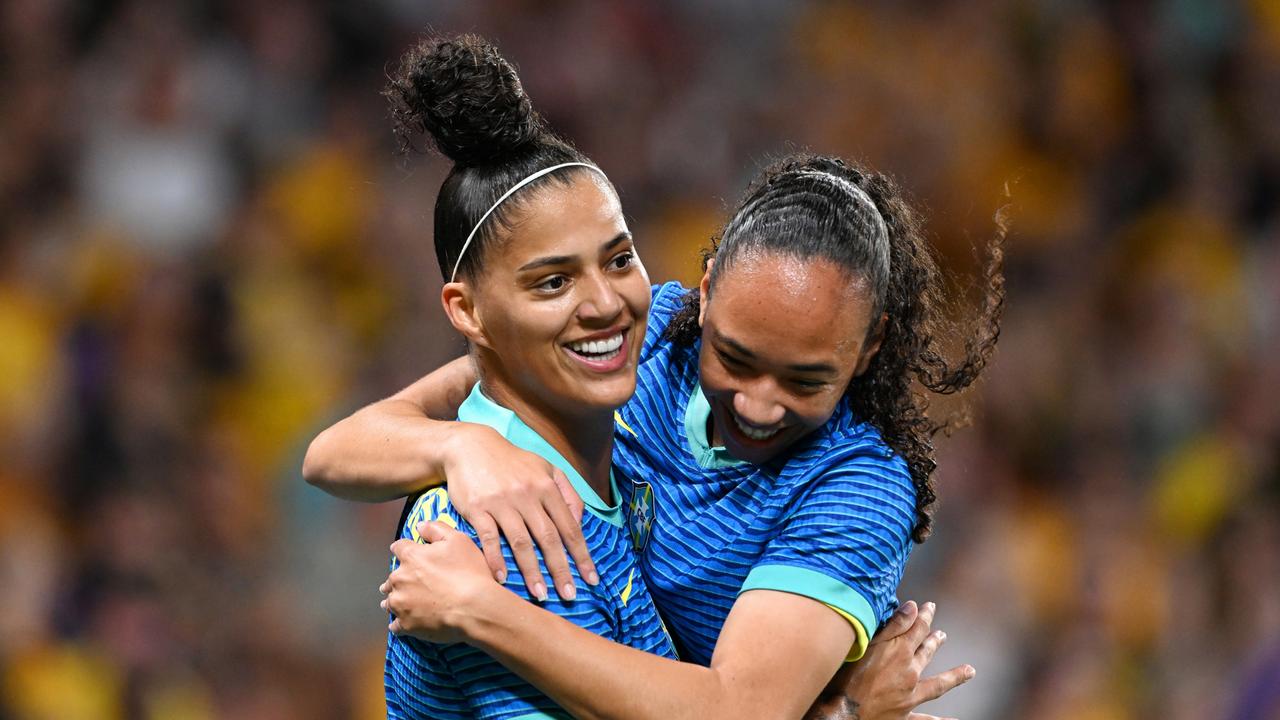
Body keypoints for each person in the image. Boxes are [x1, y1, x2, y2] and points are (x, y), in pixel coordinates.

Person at [309, 33, 1004, 720]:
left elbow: (741, 711)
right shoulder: (508, 527)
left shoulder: (854, 484)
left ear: (869, 345)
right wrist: (459, 448)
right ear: (702, 296)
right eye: (734, 358)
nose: (759, 404)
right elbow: (336, 451)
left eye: (804, 380)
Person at [374, 34, 675, 719]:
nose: (605, 303)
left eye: (620, 259)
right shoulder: (491, 538)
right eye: (553, 282)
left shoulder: (614, 452)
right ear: (469, 311)